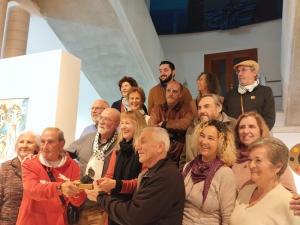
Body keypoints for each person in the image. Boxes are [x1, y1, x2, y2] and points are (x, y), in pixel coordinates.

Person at [88, 127, 185, 225]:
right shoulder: (153, 172)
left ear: (160, 147)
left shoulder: (166, 176)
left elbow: (134, 217)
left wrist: (100, 197)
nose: (137, 147)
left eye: (143, 142)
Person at [16, 127, 86, 225]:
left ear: (62, 144)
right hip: (31, 220)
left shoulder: (73, 166)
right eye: (42, 142)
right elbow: (32, 190)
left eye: (50, 142)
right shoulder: (29, 163)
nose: (44, 146)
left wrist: (76, 192)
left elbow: (78, 202)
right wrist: (60, 187)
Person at [67, 108, 120, 225]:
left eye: (107, 119)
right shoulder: (88, 137)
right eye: (101, 118)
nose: (101, 121)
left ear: (116, 124)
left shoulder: (120, 144)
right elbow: (65, 155)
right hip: (79, 202)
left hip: (101, 207)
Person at [230, 137, 300, 225]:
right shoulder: (245, 191)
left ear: (278, 167)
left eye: (258, 160)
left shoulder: (291, 203)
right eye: (250, 160)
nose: (251, 165)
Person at [182, 120, 237, 225]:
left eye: (210, 138)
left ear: (221, 143)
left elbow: (228, 217)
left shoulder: (225, 174)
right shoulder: (188, 167)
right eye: (202, 136)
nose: (204, 141)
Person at [97, 110, 147, 225]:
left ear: (138, 125)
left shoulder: (143, 151)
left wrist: (116, 184)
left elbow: (141, 183)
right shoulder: (117, 150)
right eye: (122, 123)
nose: (123, 127)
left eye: (128, 123)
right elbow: (109, 176)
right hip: (114, 206)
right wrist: (102, 183)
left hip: (133, 208)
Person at [232, 111, 296, 193]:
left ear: (261, 130)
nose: (246, 131)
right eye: (242, 127)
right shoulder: (234, 160)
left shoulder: (274, 155)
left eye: (251, 126)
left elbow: (290, 193)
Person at [180, 94, 236, 169]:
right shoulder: (192, 128)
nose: (202, 111)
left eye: (206, 106)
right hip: (193, 176)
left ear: (219, 108)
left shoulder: (233, 125)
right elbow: (184, 158)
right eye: (199, 108)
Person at [149, 80, 193, 165]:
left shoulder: (186, 109)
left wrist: (164, 124)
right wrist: (173, 131)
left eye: (174, 91)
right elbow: (152, 128)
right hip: (159, 153)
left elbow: (185, 124)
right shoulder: (157, 109)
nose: (171, 94)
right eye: (168, 90)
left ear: (180, 94)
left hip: (178, 155)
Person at [0, 131, 40, 225]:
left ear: (37, 147)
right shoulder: (5, 167)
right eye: (21, 142)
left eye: (29, 142)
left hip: (34, 221)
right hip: (9, 221)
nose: (24, 145)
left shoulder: (43, 168)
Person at [223, 60, 275, 130]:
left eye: (243, 70)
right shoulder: (230, 94)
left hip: (258, 137)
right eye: (238, 71)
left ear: (254, 73)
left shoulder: (265, 91)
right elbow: (225, 118)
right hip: (235, 137)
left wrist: (258, 133)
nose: (240, 74)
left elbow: (269, 118)